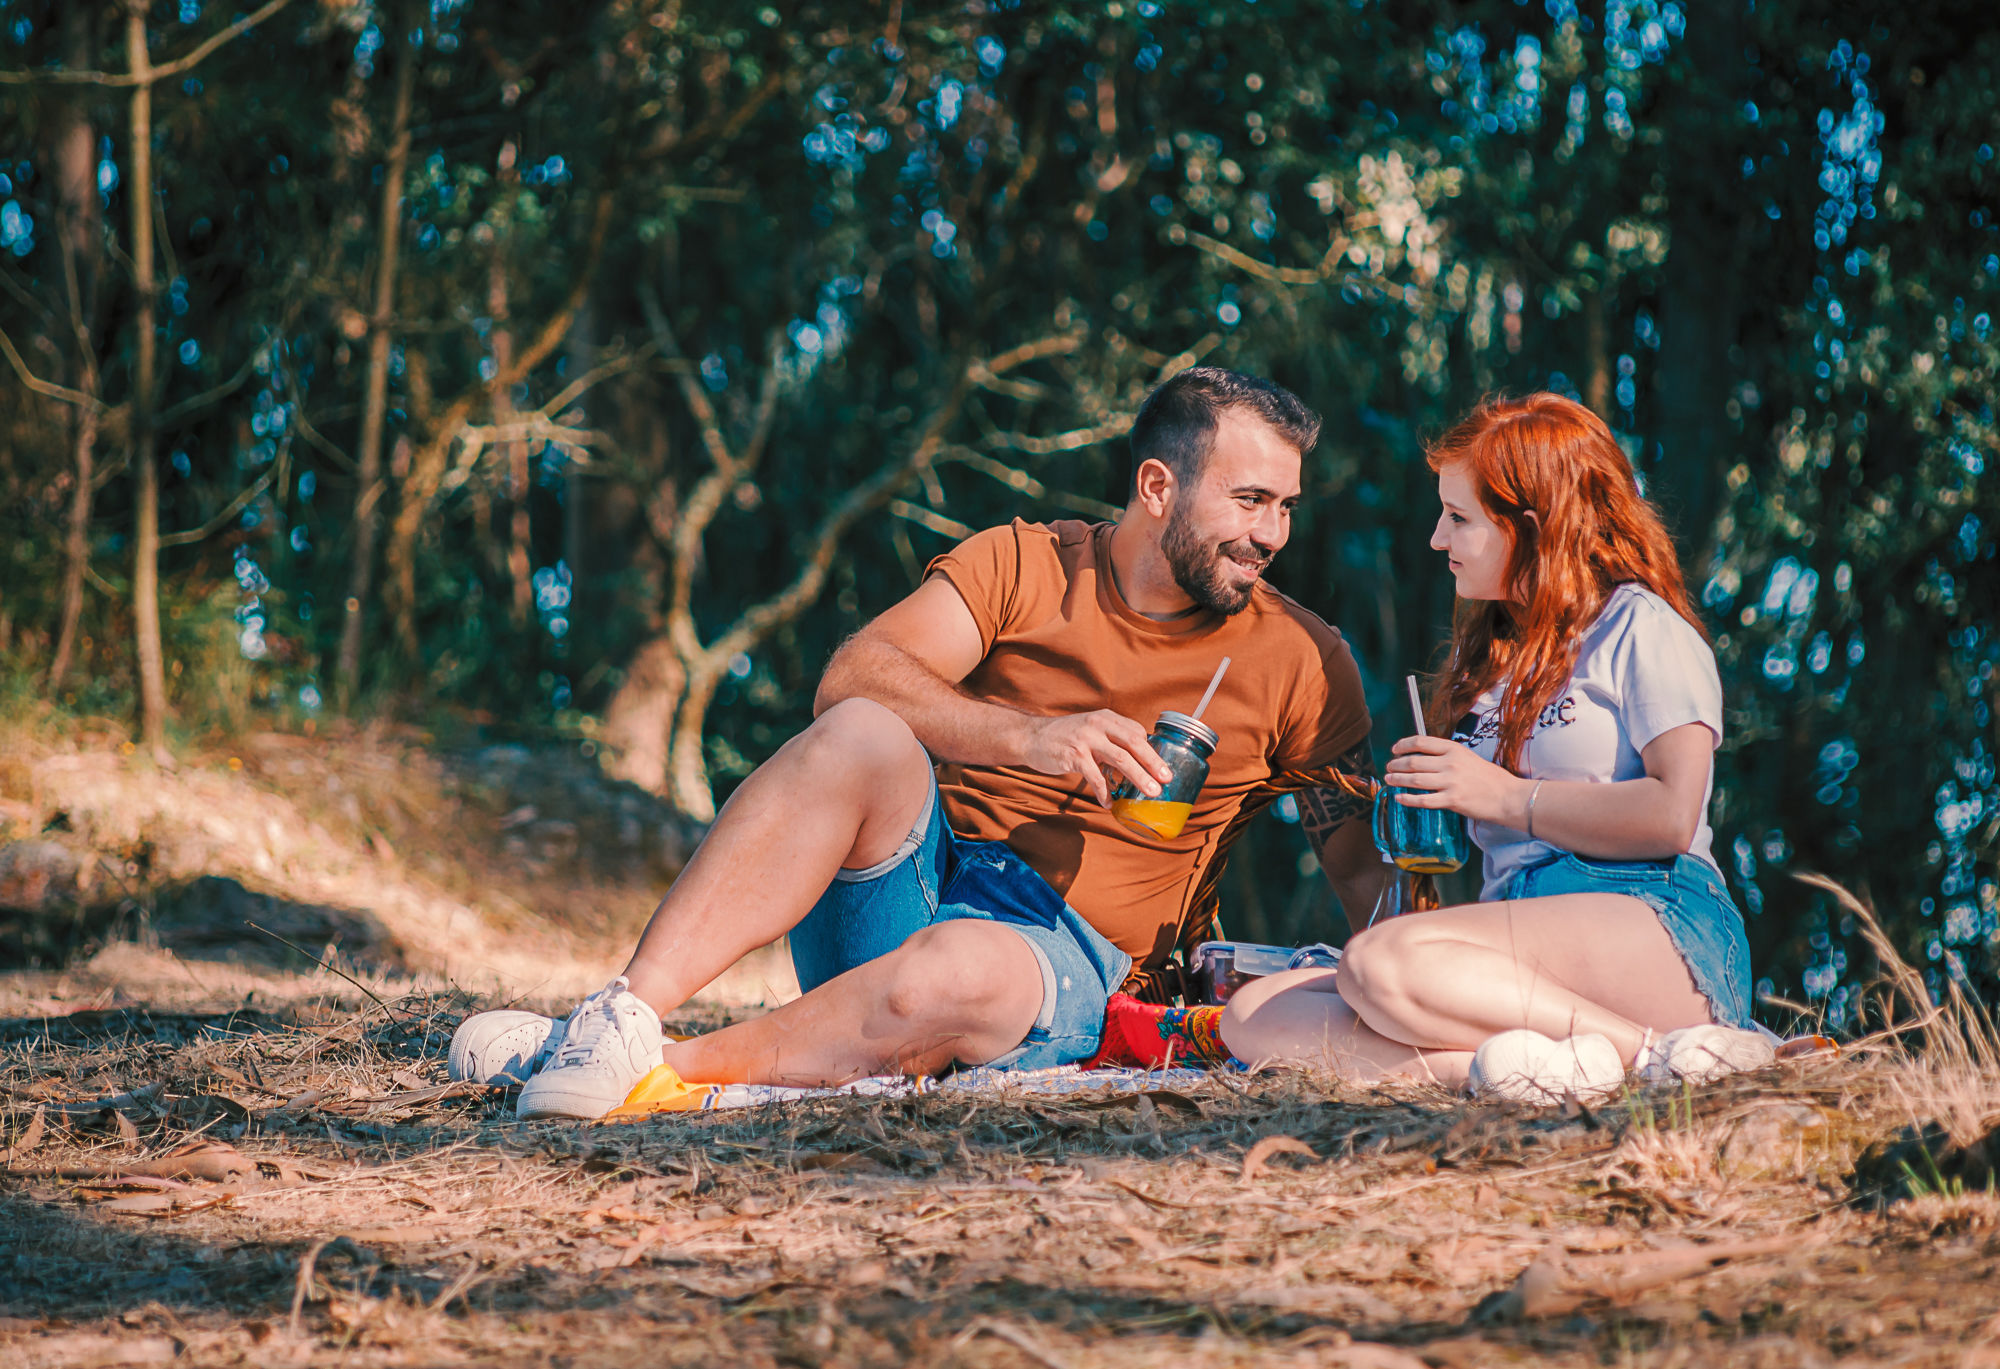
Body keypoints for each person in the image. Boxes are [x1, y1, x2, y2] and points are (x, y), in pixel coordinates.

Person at [448, 366, 1388, 1119]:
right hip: (923, 879)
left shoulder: (1303, 658)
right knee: (861, 732)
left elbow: (1360, 875)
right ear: (1157, 486)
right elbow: (851, 676)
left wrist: (1433, 1000)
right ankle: (627, 1013)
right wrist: (1031, 737)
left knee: (960, 968)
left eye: (1287, 508)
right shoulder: (1024, 561)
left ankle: (655, 1069)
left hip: (1073, 956)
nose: (1272, 535)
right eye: (1252, 500)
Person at [1220, 392, 1769, 1100]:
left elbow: (1671, 814)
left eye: (1459, 518)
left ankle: (1663, 1055)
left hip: (1655, 919)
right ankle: (1520, 1070)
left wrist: (1503, 797)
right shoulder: (1490, 663)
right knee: (1255, 1016)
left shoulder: (1640, 627)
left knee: (1379, 964)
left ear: (1533, 529)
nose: (1437, 540)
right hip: (1524, 950)